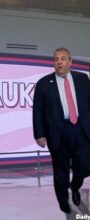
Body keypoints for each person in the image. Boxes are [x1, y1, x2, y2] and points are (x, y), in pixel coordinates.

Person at [33, 47, 90, 213]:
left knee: (85, 165)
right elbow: (37, 111)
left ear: (70, 62)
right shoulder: (44, 84)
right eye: (56, 59)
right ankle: (63, 201)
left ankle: (75, 185)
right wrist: (39, 134)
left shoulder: (82, 79)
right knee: (60, 170)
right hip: (57, 132)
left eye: (63, 58)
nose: (59, 62)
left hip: (81, 129)